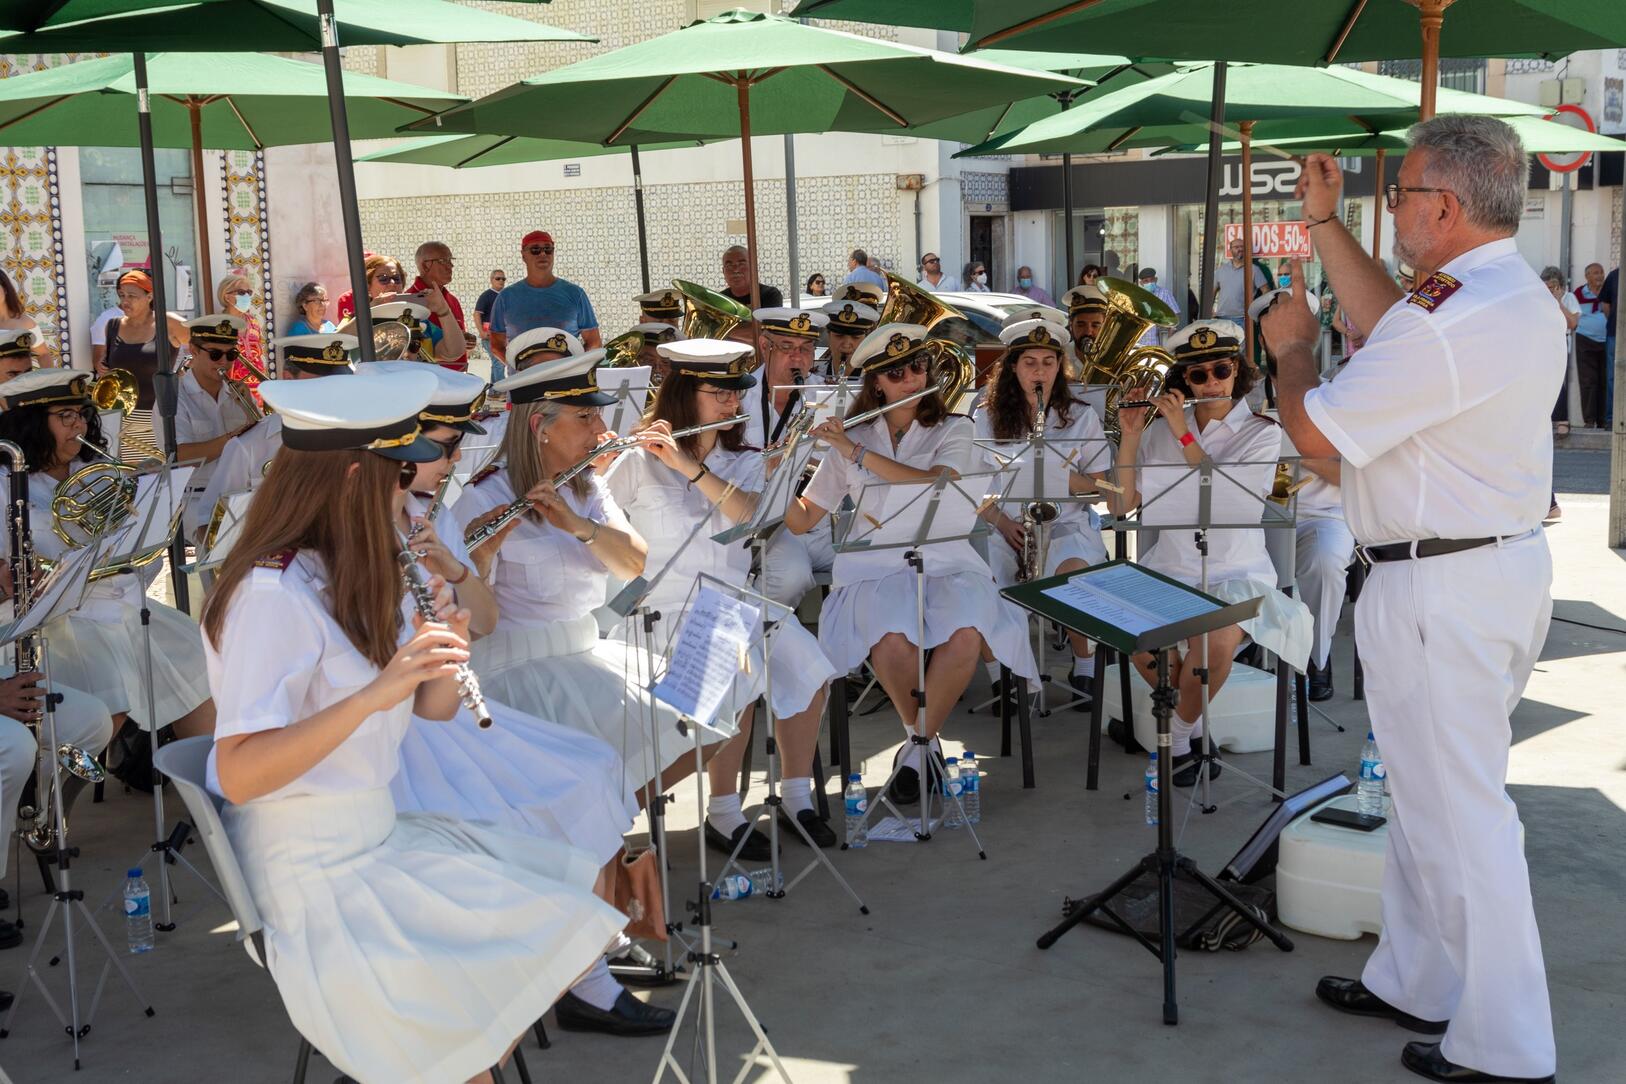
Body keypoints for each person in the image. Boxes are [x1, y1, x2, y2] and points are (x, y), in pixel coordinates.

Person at [202, 368, 624, 1084]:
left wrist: (439, 655)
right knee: (474, 1040)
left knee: (556, 928)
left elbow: (430, 711)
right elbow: (239, 773)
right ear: (350, 480)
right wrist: (376, 693)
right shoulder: (273, 592)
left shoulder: (349, 572)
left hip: (379, 839)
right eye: (402, 476)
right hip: (317, 874)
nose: (412, 495)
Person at [1260, 114, 1561, 1084]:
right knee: (1426, 799)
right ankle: (1419, 975)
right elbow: (1396, 317)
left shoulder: (1456, 317)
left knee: (1464, 814)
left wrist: (1293, 351)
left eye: (1400, 197)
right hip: (1467, 573)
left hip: (1444, 583)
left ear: (1442, 206)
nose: (1393, 212)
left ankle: (1509, 1043)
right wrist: (1326, 224)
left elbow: (1315, 437)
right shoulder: (1496, 290)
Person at [367, 362, 663, 1038]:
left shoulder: (419, 516)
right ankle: (580, 973)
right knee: (562, 796)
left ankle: (590, 956)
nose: (449, 461)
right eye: (439, 450)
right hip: (402, 734)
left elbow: (482, 617)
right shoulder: (385, 525)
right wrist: (483, 549)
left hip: (443, 707)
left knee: (591, 772)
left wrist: (453, 569)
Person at [452, 352, 722, 805]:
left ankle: (609, 816)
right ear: (540, 427)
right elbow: (473, 620)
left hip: (583, 652)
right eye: (585, 417)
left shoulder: (585, 487)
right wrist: (479, 555)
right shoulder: (485, 495)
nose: (600, 430)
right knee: (585, 775)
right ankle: (597, 824)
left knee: (703, 723)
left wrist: (578, 526)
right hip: (517, 669)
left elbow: (633, 562)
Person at [785, 323, 1037, 804]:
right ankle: (925, 747)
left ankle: (918, 748)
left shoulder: (954, 428)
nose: (912, 379)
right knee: (888, 634)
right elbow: (803, 521)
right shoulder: (852, 435)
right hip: (873, 566)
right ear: (876, 382)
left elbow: (935, 481)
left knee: (966, 631)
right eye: (897, 372)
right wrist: (781, 469)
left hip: (946, 557)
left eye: (919, 367)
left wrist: (854, 452)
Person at [607, 339, 839, 855]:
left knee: (809, 666)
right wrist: (607, 458)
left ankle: (798, 799)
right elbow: (596, 513)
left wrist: (692, 469)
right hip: (668, 611)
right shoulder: (639, 461)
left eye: (736, 394)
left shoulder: (745, 460)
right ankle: (725, 813)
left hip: (737, 600)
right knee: (742, 675)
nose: (733, 405)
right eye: (720, 394)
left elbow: (751, 516)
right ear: (685, 394)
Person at [1108, 320, 1311, 786]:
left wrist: (1182, 431)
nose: (1211, 382)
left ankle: (1175, 738)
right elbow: (1121, 505)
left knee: (1212, 640)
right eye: (1197, 375)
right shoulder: (1158, 432)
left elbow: (1223, 490)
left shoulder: (1262, 431)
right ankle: (1195, 731)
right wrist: (1132, 435)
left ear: (1236, 372)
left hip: (1237, 571)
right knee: (1127, 627)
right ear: (1184, 382)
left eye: (1221, 370)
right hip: (1170, 567)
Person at [0, 370, 217, 761]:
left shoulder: (96, 470)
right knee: (111, 694)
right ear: (31, 423)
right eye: (64, 416)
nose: (78, 425)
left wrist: (149, 506)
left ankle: (210, 793)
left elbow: (140, 561)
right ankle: (51, 803)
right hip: (63, 621)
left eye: (81, 414)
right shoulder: (6, 484)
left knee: (196, 659)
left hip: (123, 608)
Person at [974, 319, 1112, 700]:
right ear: (1013, 367)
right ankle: (1001, 674)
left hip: (1065, 525)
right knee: (984, 590)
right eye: (1030, 362)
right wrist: (1001, 522)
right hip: (1007, 528)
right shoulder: (985, 417)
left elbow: (1099, 486)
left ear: (1060, 366)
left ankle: (1084, 666)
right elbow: (972, 489)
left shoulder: (1081, 416)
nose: (1039, 371)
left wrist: (1061, 474)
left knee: (1076, 581)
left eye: (1048, 362)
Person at [197, 333, 356, 525]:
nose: (332, 392)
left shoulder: (357, 438)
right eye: (321, 384)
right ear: (288, 379)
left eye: (339, 384)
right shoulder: (249, 446)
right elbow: (209, 522)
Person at [744, 308, 832, 607]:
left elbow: (840, 465)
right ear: (764, 346)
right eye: (787, 348)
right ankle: (753, 646)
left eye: (806, 349)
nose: (799, 358)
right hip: (761, 523)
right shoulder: (736, 397)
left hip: (816, 521)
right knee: (791, 576)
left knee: (880, 560)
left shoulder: (825, 398)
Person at [160, 314, 260, 538]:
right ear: (193, 350)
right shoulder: (175, 397)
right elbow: (181, 456)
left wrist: (249, 412)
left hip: (243, 495)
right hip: (194, 500)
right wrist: (234, 439)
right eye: (215, 354)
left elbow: (263, 446)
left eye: (231, 354)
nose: (224, 362)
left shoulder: (238, 394)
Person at [96, 269, 190, 462]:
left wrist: (183, 372)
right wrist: (102, 366)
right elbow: (109, 363)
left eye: (132, 296)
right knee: (127, 481)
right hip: (120, 420)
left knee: (156, 476)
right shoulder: (112, 325)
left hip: (157, 417)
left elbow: (202, 346)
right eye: (122, 295)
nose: (125, 301)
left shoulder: (168, 323)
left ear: (149, 296)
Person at [489, 231, 601, 370]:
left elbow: (594, 342)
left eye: (548, 249)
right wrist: (520, 369)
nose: (543, 254)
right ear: (523, 255)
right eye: (535, 249)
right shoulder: (505, 298)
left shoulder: (575, 294)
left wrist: (573, 368)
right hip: (523, 385)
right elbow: (496, 346)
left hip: (567, 385)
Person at [410, 240, 476, 372]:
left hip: (458, 378)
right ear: (425, 266)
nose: (450, 266)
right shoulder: (410, 302)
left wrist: (465, 339)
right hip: (431, 383)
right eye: (443, 261)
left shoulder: (452, 300)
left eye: (450, 260)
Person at [1540, 266, 1580, 444]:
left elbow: (1572, 323)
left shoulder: (1569, 298)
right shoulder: (1539, 298)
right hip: (1542, 340)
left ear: (1560, 286)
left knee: (1558, 382)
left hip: (1560, 340)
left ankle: (1562, 419)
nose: (1549, 290)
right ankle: (1544, 420)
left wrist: (1558, 302)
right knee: (1542, 381)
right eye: (1546, 286)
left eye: (1552, 287)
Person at [1572, 262, 1608, 428]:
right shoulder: (1579, 293)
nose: (1600, 275)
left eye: (1601, 272)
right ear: (1587, 276)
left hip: (1607, 341)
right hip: (1585, 339)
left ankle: (1603, 420)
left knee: (1605, 381)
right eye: (1595, 273)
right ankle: (1589, 420)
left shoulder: (1609, 291)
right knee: (1588, 381)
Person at [217, 272, 267, 391]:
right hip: (232, 388)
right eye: (241, 292)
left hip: (258, 387)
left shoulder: (254, 322)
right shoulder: (219, 324)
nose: (246, 296)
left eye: (248, 292)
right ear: (227, 296)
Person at [334, 252, 405, 323]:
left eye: (396, 278)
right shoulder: (351, 319)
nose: (392, 283)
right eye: (383, 279)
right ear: (367, 287)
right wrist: (369, 311)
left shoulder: (414, 310)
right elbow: (340, 334)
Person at [0, 269, 52, 366]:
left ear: (5, 289)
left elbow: (43, 354)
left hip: (17, 380)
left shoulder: (24, 323)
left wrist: (47, 380)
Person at [821, 299, 879, 379]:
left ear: (866, 339)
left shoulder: (876, 379)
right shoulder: (813, 375)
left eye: (856, 337)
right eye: (839, 336)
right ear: (829, 336)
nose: (846, 345)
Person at [1214, 236, 1268, 321]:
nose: (1240, 249)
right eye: (1236, 247)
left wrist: (1257, 310)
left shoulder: (1254, 269)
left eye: (1242, 247)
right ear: (1230, 250)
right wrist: (1209, 311)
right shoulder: (1221, 270)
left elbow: (1266, 291)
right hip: (1221, 317)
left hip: (1243, 318)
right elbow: (1212, 292)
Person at [719, 244, 783, 311]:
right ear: (723, 271)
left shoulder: (769, 295)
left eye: (741, 264)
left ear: (753, 268)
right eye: (729, 265)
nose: (736, 270)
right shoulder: (719, 300)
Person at [474, 269, 506, 380]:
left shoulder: (506, 295)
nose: (501, 281)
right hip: (489, 336)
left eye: (503, 279)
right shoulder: (486, 296)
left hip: (501, 336)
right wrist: (481, 332)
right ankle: (500, 390)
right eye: (498, 278)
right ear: (491, 280)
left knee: (497, 362)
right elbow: (477, 314)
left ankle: (494, 392)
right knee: (499, 361)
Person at [1061, 283, 1109, 358]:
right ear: (1071, 325)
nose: (1088, 332)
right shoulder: (1060, 357)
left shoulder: (1114, 357)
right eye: (1081, 325)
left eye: (1095, 326)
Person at [1135, 267, 1179, 345]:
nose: (1149, 282)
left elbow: (1176, 316)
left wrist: (1169, 341)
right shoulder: (1137, 295)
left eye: (1151, 280)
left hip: (1159, 341)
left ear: (1156, 279)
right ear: (1141, 283)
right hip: (1140, 342)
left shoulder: (1165, 293)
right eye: (1146, 281)